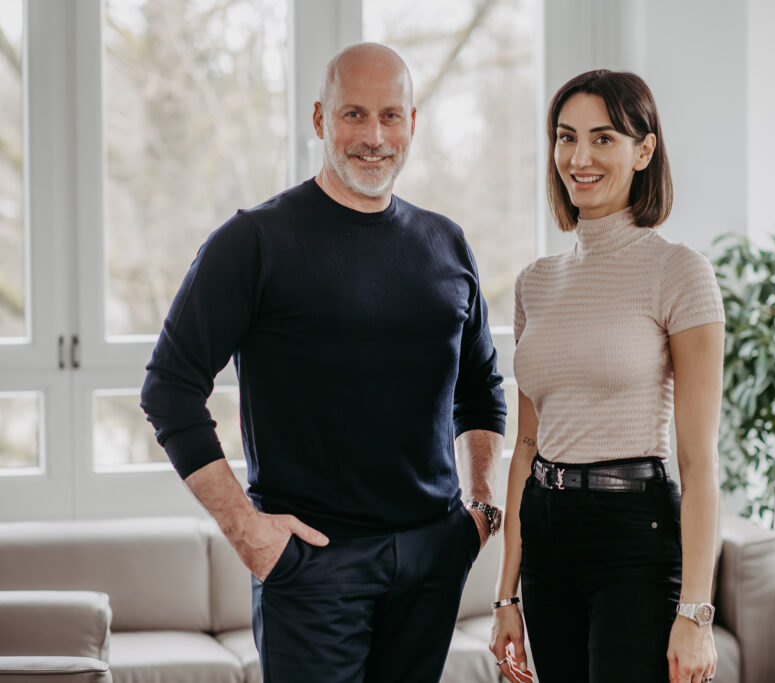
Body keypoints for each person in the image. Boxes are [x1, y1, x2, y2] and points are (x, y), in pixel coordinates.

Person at [140, 42, 507, 683]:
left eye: (391, 116)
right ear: (319, 119)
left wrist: (478, 512)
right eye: (353, 115)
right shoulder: (254, 242)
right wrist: (248, 532)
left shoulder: (446, 243)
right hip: (312, 565)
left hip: (432, 557)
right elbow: (169, 389)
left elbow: (480, 389)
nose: (373, 136)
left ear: (413, 124)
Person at [489, 69, 725, 683]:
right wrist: (506, 596)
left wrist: (695, 612)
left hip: (633, 536)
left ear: (644, 150)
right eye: (566, 138)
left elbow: (699, 460)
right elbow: (526, 448)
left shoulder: (680, 273)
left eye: (603, 138)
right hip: (546, 530)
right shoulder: (534, 283)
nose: (579, 157)